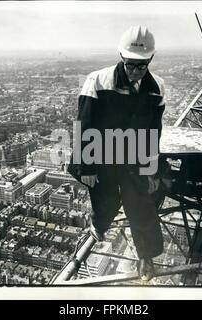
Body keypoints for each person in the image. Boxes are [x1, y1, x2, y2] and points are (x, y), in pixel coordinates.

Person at [68, 26, 166, 281]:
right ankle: (99, 224)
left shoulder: (157, 89)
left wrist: (151, 170)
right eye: (130, 65)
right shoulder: (98, 80)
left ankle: (147, 257)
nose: (135, 71)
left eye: (141, 66)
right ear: (121, 58)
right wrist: (86, 166)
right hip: (103, 154)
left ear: (150, 61)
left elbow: (153, 133)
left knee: (142, 205)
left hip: (134, 156)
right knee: (105, 199)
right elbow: (85, 122)